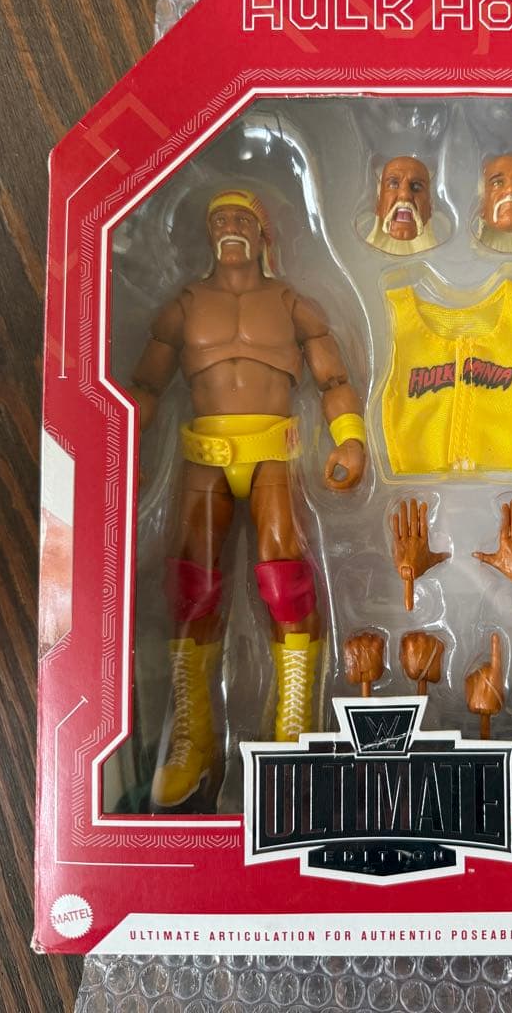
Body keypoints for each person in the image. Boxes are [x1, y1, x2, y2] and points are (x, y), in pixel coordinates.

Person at [129, 188, 366, 809]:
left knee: (287, 578)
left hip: (273, 452)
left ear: (264, 233)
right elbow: (144, 385)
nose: (230, 227)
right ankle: (193, 738)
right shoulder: (184, 306)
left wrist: (350, 438)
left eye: (242, 218)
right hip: (202, 454)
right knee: (191, 585)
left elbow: (334, 379)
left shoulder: (291, 303)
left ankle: (295, 723)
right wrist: (118, 443)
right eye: (221, 218)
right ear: (209, 233)